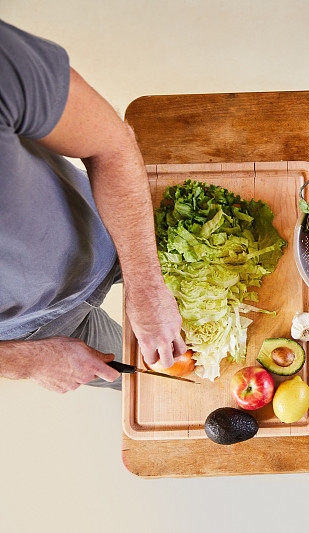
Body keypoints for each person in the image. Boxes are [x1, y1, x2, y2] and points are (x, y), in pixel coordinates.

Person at [0, 20, 186, 392]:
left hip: (108, 229)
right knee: (158, 386)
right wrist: (27, 362)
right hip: (33, 333)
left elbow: (110, 144)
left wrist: (147, 289)